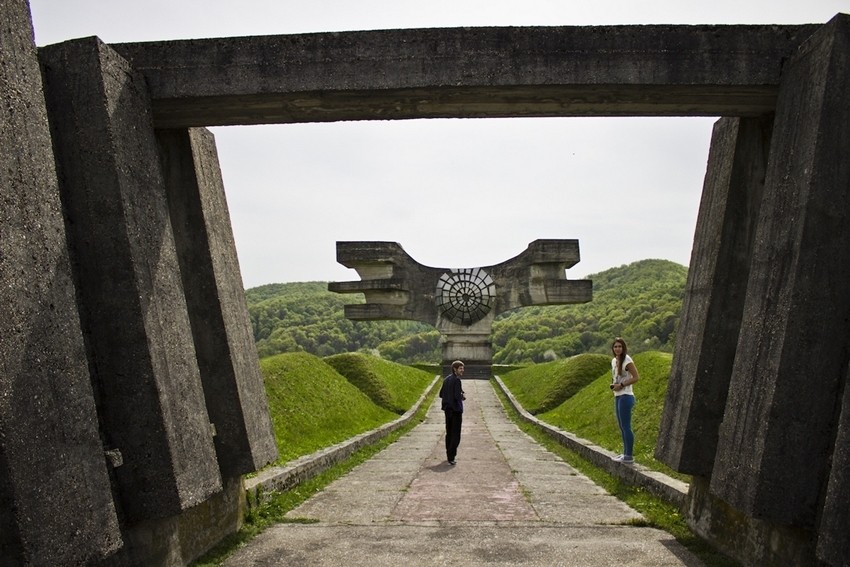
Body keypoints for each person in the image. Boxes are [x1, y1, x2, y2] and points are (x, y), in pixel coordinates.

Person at [610, 338, 639, 464]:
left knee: (626, 426)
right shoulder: (614, 361)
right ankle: (625, 453)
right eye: (615, 346)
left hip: (626, 396)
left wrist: (621, 385)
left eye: (620, 346)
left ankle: (629, 455)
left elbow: (636, 377)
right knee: (622, 426)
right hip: (618, 395)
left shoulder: (627, 360)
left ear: (623, 348)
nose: (617, 349)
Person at [439, 360, 466, 465]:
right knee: (456, 434)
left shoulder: (446, 379)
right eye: (460, 368)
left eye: (463, 368)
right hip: (456, 410)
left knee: (449, 433)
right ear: (455, 369)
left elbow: (441, 394)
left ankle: (449, 454)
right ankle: (451, 456)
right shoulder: (457, 381)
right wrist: (462, 396)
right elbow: (457, 396)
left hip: (447, 410)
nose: (462, 370)